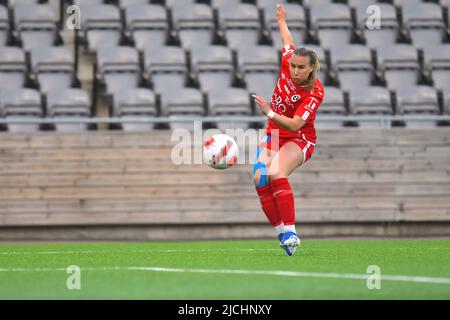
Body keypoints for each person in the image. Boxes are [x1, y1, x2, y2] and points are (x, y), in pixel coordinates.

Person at [252, 4, 324, 256]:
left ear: (312, 68)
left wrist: (270, 112)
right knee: (259, 177)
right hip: (273, 134)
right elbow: (288, 42)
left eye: (301, 68)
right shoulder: (288, 61)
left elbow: (295, 124)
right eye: (292, 66)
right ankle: (282, 233)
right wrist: (282, 21)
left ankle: (292, 232)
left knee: (275, 171)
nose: (294, 70)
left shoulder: (314, 92)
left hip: (299, 138)